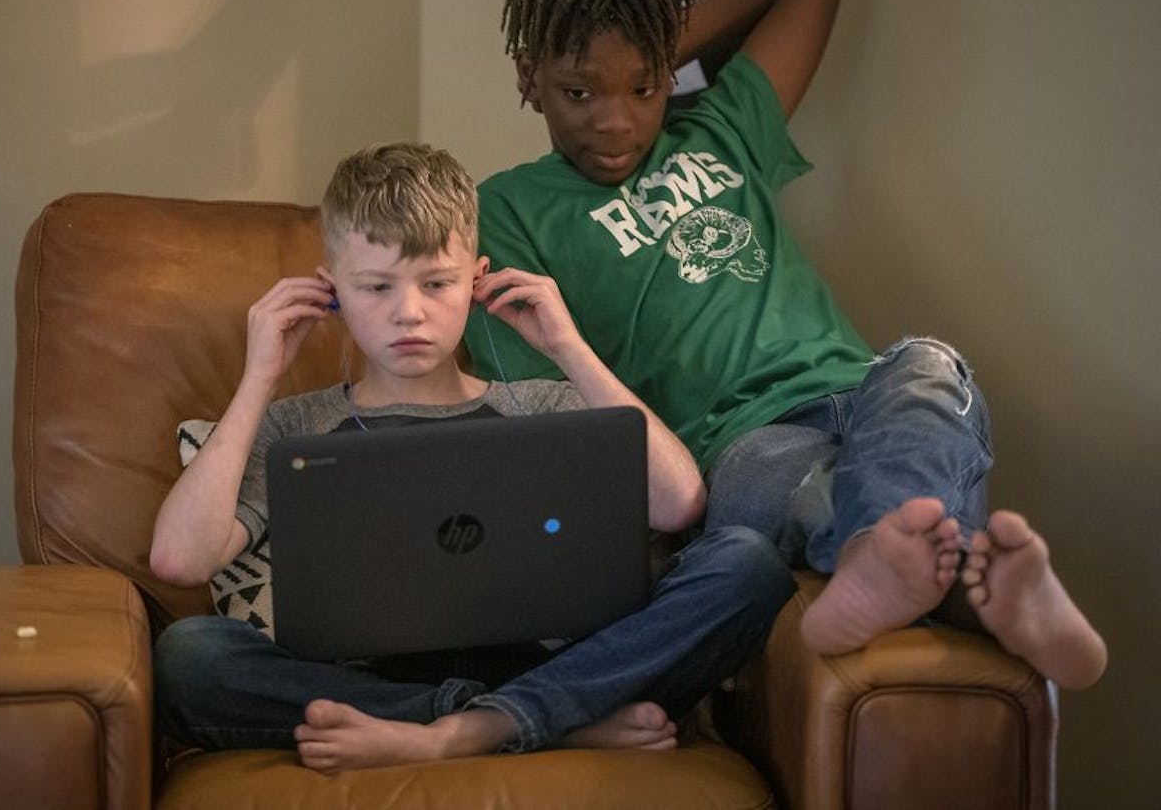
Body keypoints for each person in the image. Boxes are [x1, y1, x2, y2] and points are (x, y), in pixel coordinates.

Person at [466, 0, 1106, 690]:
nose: (616, 121)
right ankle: (979, 591)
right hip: (741, 440)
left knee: (931, 367)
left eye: (643, 87)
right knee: (818, 493)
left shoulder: (723, 131)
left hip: (864, 388)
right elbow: (547, 417)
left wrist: (643, 37)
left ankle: (890, 567)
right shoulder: (503, 210)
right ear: (527, 74)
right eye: (578, 90)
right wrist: (622, 52)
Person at [149, 141, 795, 771]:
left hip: (566, 665)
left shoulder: (543, 405)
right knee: (191, 654)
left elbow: (678, 503)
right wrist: (259, 377)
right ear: (331, 293)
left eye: (437, 283)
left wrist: (568, 347)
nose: (409, 313)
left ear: (477, 282)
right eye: (375, 287)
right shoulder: (295, 423)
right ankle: (533, 726)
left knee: (746, 559)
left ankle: (465, 730)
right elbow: (181, 561)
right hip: (370, 682)